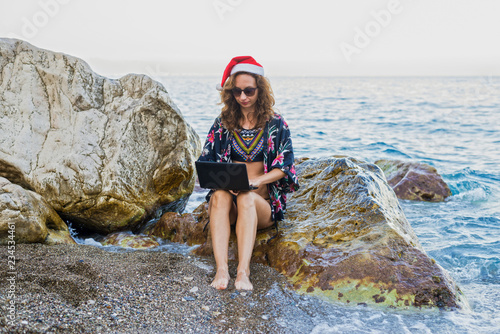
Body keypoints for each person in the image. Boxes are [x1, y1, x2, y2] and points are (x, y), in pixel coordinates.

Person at [198, 56, 299, 290]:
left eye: (249, 91)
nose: (243, 97)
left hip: (260, 204)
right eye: (237, 92)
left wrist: (256, 181)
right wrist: (223, 182)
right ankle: (222, 270)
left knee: (246, 196)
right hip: (229, 204)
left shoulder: (276, 124)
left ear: (260, 90)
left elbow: (286, 167)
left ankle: (243, 272)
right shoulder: (223, 123)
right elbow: (206, 161)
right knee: (220, 196)